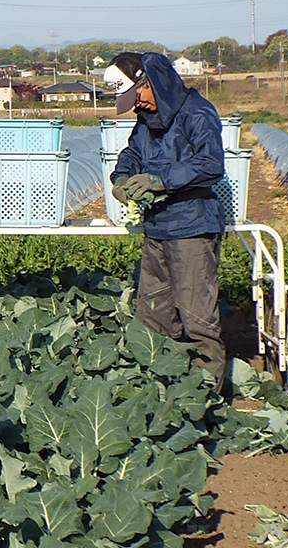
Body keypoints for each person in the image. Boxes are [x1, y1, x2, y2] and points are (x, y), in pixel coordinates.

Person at [104, 51, 227, 392]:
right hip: (157, 226)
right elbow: (132, 153)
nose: (136, 106)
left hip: (191, 226)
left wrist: (161, 180)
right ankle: (162, 394)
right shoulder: (147, 120)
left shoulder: (197, 112)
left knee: (196, 317)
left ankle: (208, 401)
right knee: (153, 313)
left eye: (137, 95)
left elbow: (211, 164)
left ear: (151, 81)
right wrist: (120, 178)